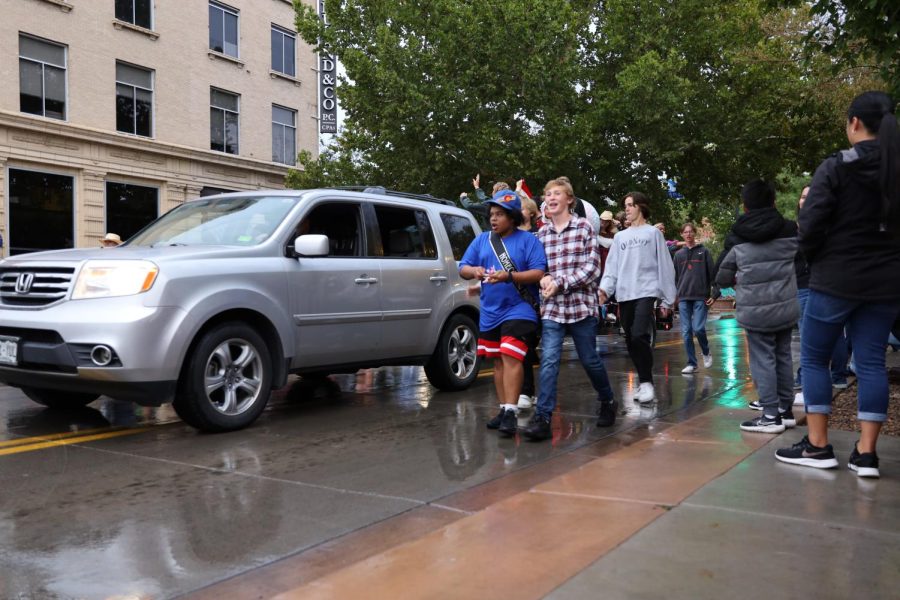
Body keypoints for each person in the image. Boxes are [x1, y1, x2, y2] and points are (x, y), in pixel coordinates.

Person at [775, 91, 900, 477]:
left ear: (855, 123)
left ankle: (817, 446)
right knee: (871, 363)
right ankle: (866, 454)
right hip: (886, 283)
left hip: (835, 279)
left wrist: (815, 258)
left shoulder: (835, 167)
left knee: (815, 358)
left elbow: (809, 226)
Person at [522, 178, 617, 441]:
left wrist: (560, 283)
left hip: (580, 307)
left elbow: (592, 269)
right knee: (550, 360)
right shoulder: (541, 234)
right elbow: (539, 266)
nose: (549, 198)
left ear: (569, 200)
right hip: (552, 309)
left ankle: (608, 400)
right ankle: (543, 417)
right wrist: (542, 278)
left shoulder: (584, 227)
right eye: (546, 194)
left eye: (556, 194)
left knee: (589, 359)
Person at [459, 189, 547, 436]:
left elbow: (538, 273)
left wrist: (509, 276)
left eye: (499, 214)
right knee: (497, 359)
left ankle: (511, 410)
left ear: (513, 216)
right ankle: (503, 408)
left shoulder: (528, 240)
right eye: (491, 214)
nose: (493, 219)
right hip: (489, 310)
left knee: (511, 356)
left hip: (519, 309)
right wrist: (473, 270)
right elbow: (462, 268)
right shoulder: (482, 240)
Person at [715, 180, 799, 433]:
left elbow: (722, 275)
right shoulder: (789, 229)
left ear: (745, 206)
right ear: (773, 202)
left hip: (755, 310)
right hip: (786, 306)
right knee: (783, 356)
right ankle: (786, 411)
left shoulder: (738, 236)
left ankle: (770, 415)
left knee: (762, 360)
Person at [599, 192, 677, 402]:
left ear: (641, 207)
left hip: (646, 291)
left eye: (631, 205)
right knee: (630, 340)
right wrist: (604, 289)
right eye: (626, 205)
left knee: (639, 335)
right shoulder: (620, 237)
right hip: (625, 294)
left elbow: (665, 266)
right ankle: (644, 382)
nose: (627, 209)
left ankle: (647, 383)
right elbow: (612, 268)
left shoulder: (653, 234)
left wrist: (668, 299)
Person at [673, 222, 715, 374]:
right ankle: (692, 363)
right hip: (684, 297)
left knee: (698, 328)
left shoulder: (704, 252)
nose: (688, 234)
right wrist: (675, 296)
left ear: (694, 233)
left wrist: (714, 293)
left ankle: (706, 352)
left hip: (700, 296)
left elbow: (712, 274)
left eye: (691, 232)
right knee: (686, 331)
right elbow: (676, 277)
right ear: (682, 235)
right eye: (686, 232)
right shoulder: (678, 255)